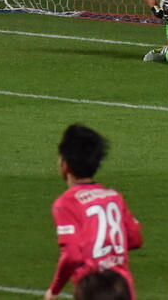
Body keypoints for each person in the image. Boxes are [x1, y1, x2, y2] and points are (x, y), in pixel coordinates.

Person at [46, 124, 142, 300]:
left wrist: (54, 290)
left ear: (65, 165)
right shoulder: (114, 197)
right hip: (123, 288)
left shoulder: (67, 203)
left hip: (92, 288)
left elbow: (72, 255)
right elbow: (135, 238)